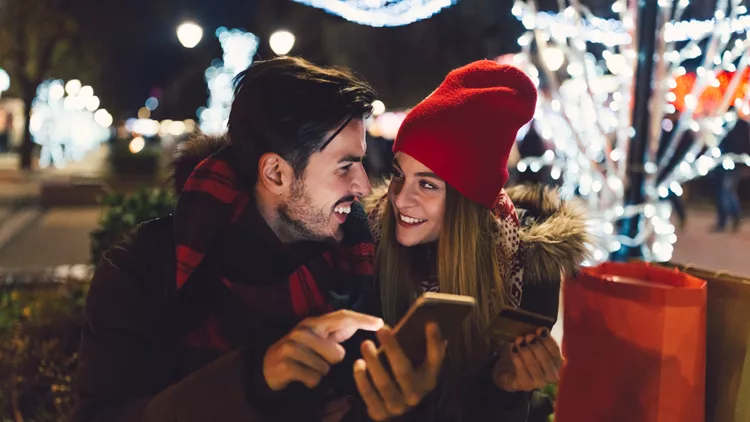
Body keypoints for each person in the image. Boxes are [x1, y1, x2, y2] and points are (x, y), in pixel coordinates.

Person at [73, 57, 444, 422]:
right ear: (276, 173)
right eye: (345, 166)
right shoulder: (144, 268)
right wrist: (256, 380)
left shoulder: (362, 259)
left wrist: (398, 407)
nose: (363, 185)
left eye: (361, 163)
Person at [359, 60, 590, 421]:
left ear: (468, 201)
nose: (400, 199)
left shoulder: (529, 266)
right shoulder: (365, 246)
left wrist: (507, 391)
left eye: (428, 184)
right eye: (398, 174)